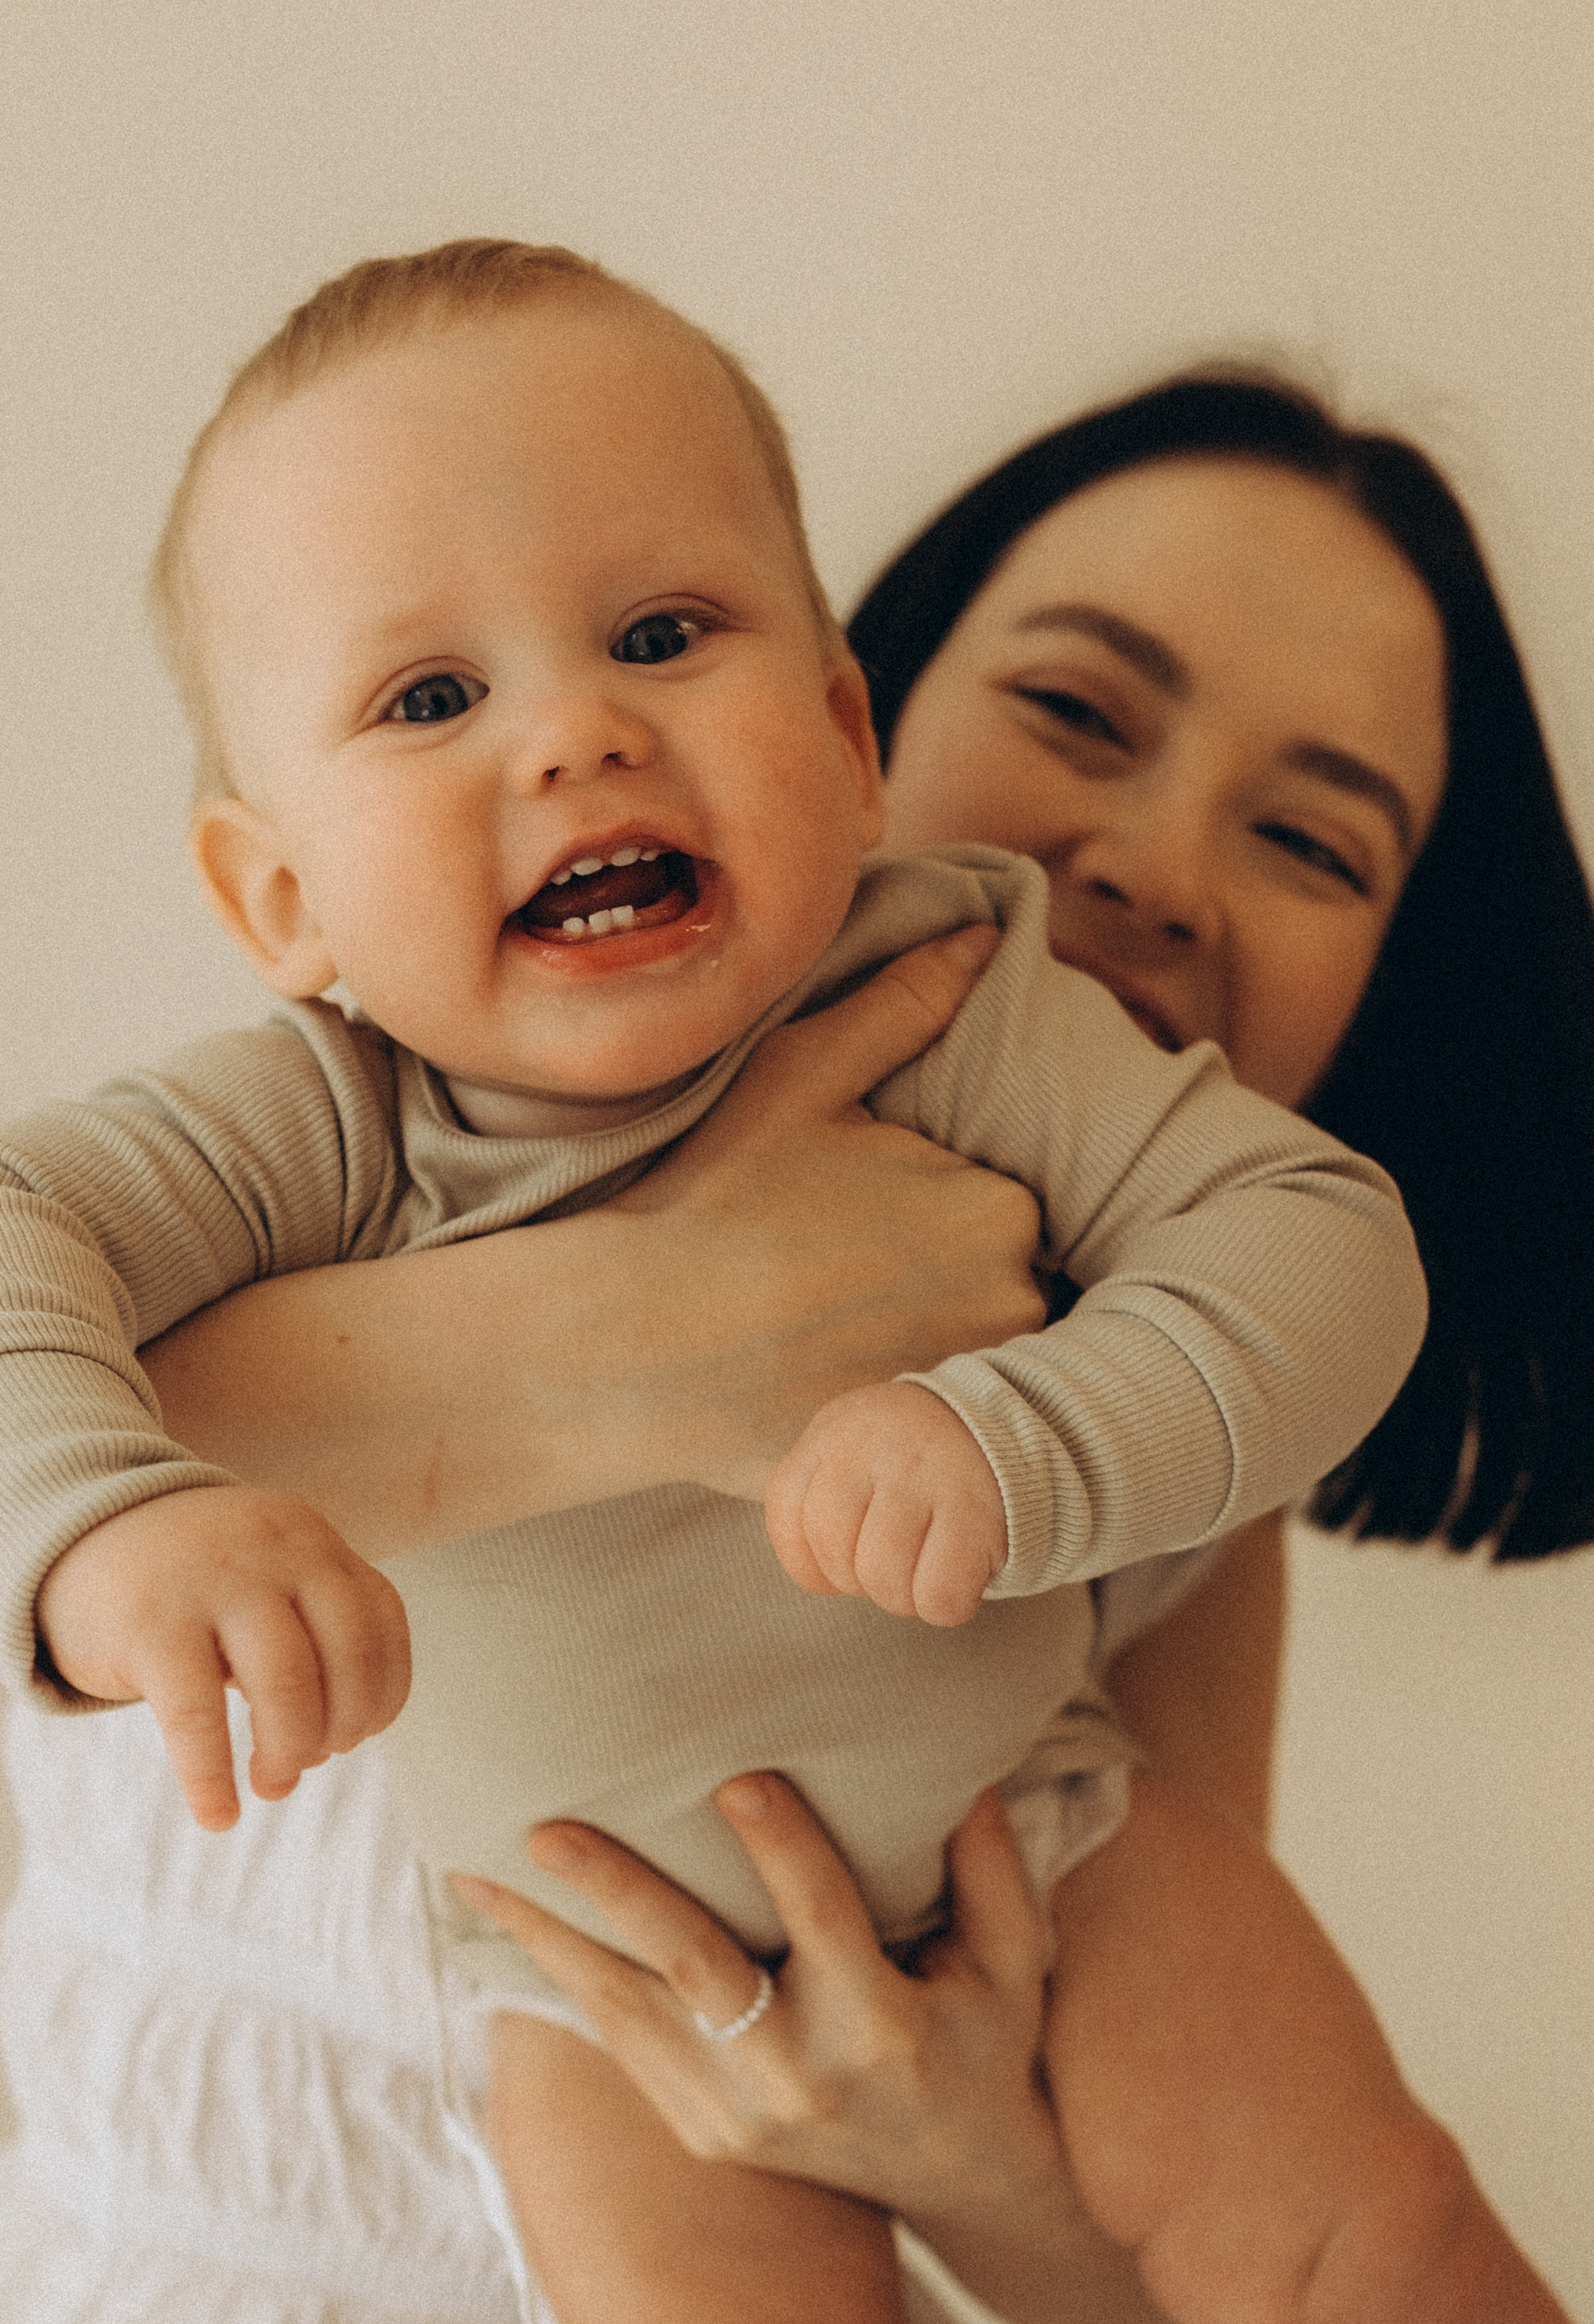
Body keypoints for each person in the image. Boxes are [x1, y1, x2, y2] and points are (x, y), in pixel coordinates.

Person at [5, 360, 1586, 2321]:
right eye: (1080, 710)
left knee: (1382, 2223)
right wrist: (106, 1525)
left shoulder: (983, 1021)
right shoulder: (332, 1124)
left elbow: (1323, 1244)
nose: (578, 732)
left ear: (824, 732)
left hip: (1041, 1825)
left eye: (1315, 840)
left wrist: (1026, 1442)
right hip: (585, 1988)